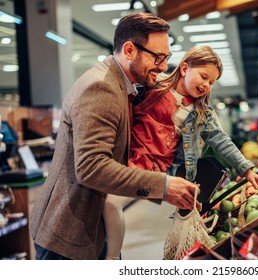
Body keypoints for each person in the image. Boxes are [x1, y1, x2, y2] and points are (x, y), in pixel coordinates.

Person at [29, 12, 201, 260]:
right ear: (129, 50)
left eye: (167, 58)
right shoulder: (101, 88)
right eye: (158, 57)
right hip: (68, 237)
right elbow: (91, 167)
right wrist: (163, 186)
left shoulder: (122, 86)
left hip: (89, 227)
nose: (164, 66)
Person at [103, 45, 258, 260]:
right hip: (122, 154)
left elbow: (222, 141)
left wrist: (247, 170)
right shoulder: (154, 85)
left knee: (111, 202)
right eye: (203, 76)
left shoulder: (201, 113)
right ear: (184, 68)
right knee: (104, 203)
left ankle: (111, 259)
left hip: (152, 168)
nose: (206, 85)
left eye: (212, 82)